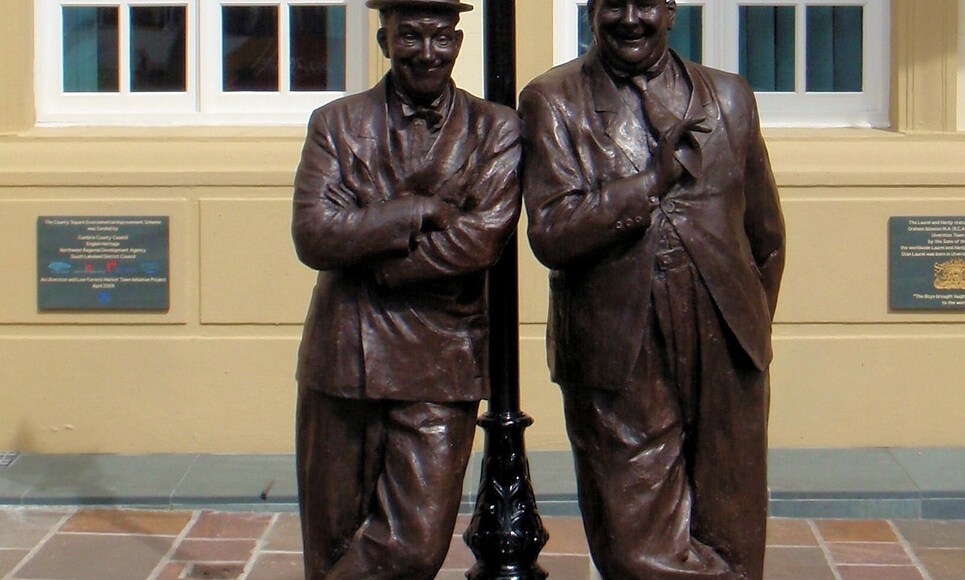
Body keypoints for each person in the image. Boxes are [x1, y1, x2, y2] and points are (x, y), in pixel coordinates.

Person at [519, 0, 785, 577]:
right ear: (590, 10)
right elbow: (552, 233)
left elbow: (766, 236)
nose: (630, 18)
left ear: (671, 9)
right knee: (635, 550)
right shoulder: (553, 100)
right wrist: (647, 184)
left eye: (646, 2)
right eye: (614, 3)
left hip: (726, 339)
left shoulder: (731, 97)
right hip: (619, 348)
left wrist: (747, 328)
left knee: (735, 532)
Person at [290, 0, 521, 576]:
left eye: (441, 37)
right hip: (345, 357)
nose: (426, 52)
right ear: (384, 39)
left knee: (413, 544)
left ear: (459, 42)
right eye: (410, 36)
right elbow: (315, 234)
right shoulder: (336, 123)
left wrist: (378, 259)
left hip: (441, 360)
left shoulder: (496, 128)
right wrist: (414, 211)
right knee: (331, 541)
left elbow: (481, 241)